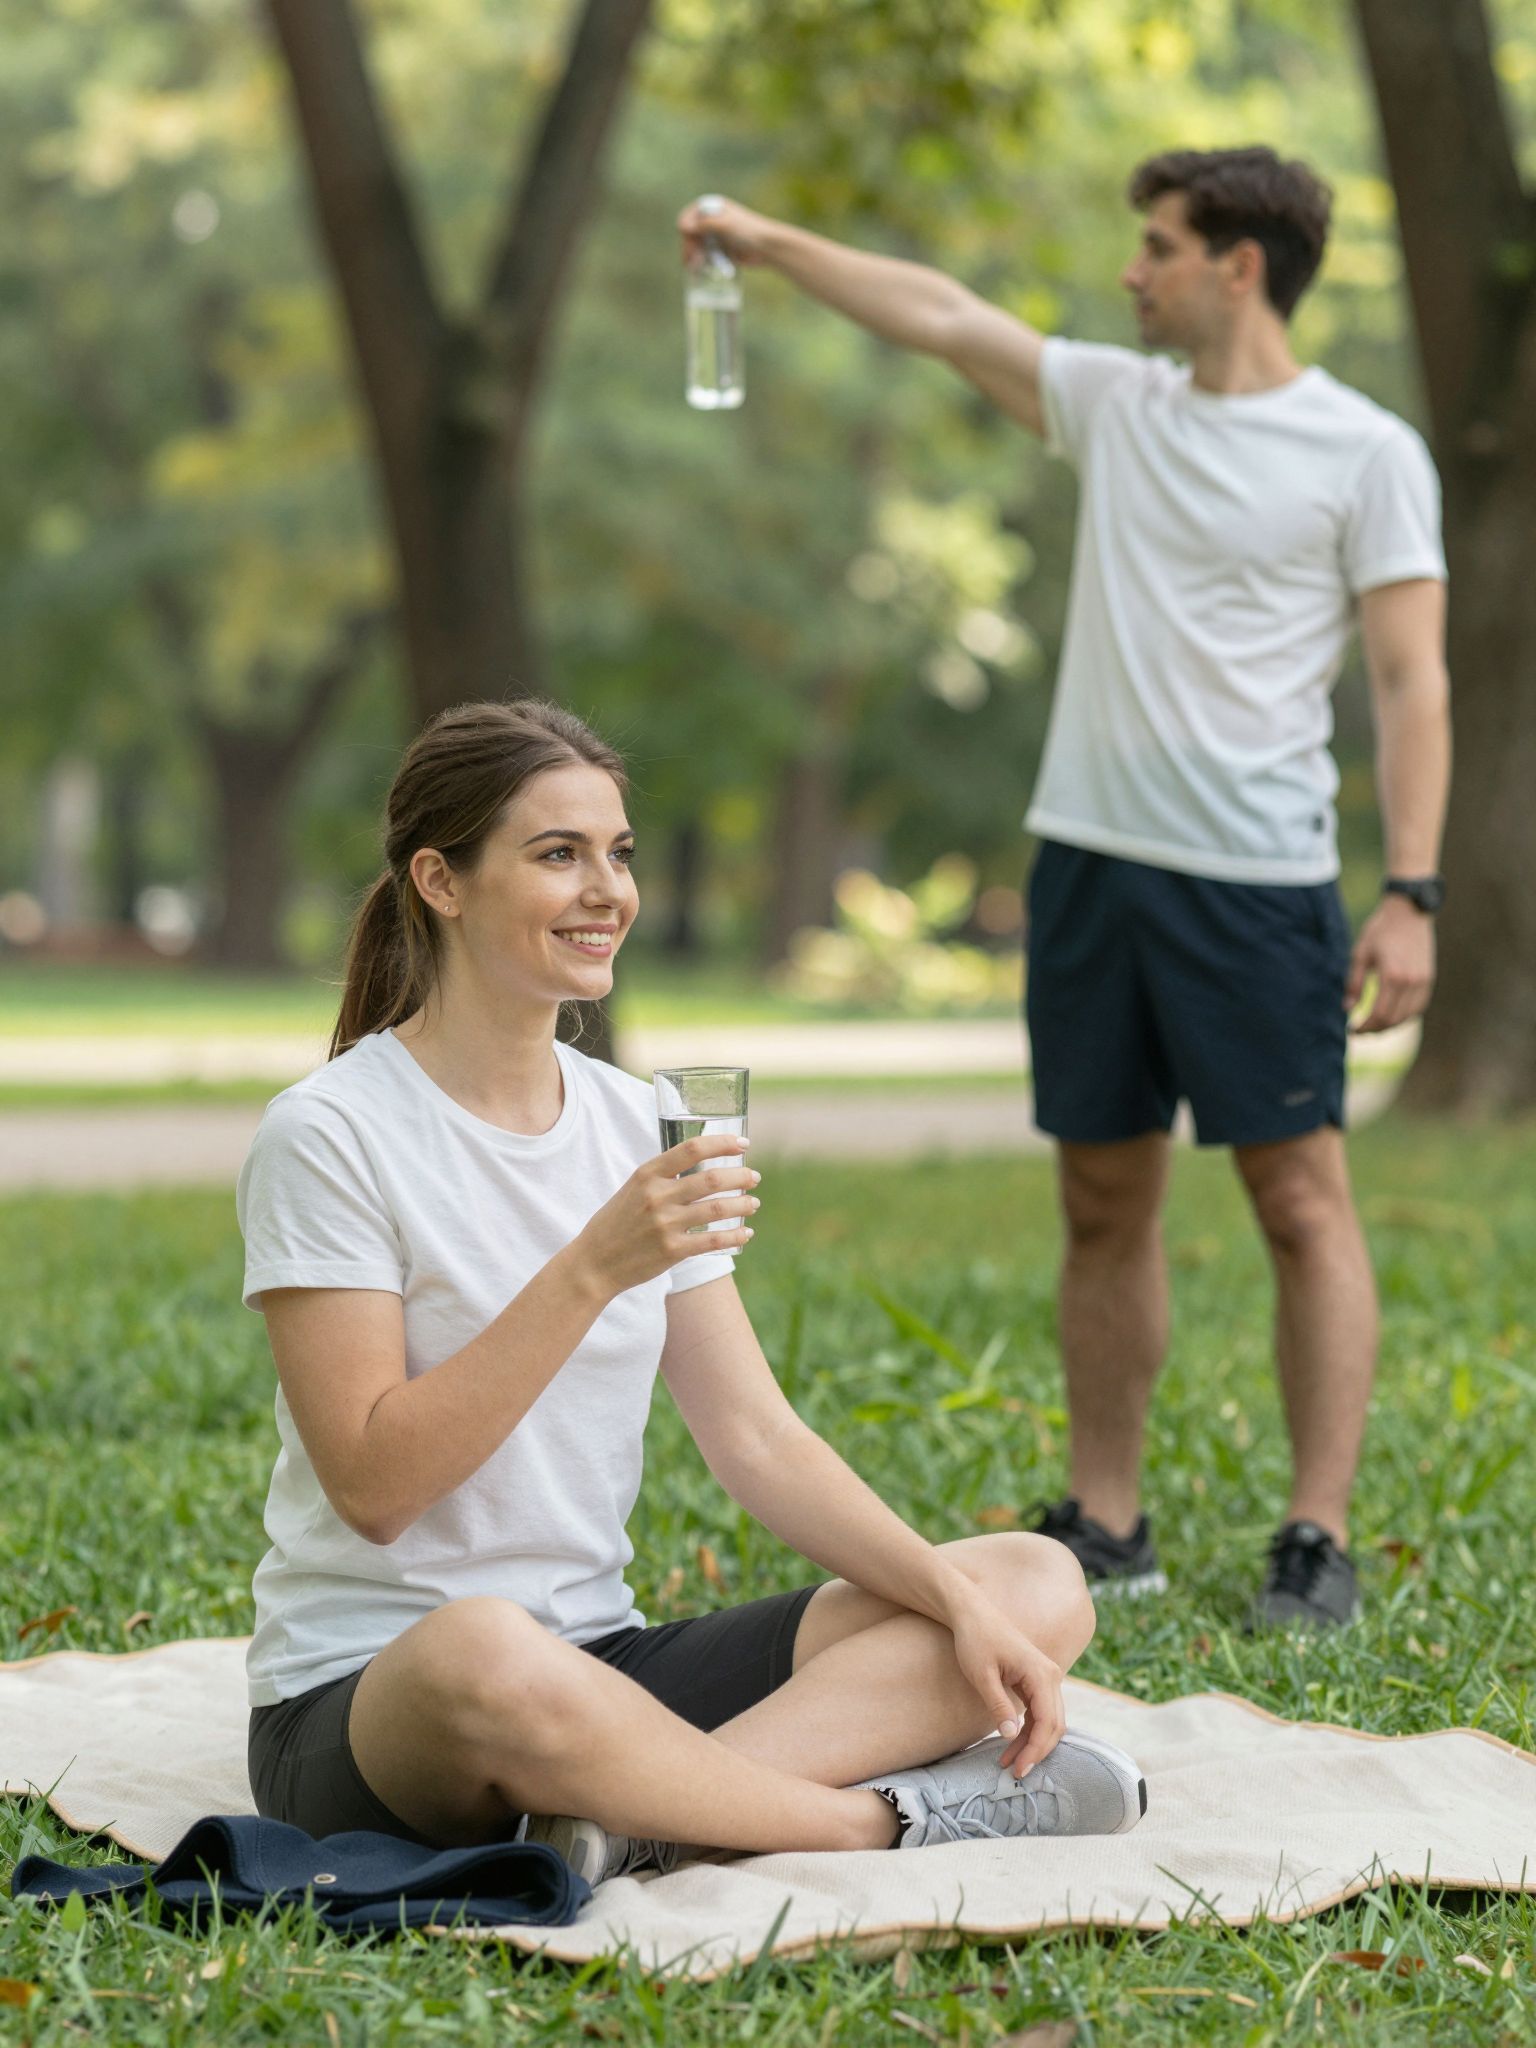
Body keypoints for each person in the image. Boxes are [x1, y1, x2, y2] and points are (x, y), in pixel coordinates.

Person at [679, 146, 1450, 1630]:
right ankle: (1108, 1518)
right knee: (1102, 1202)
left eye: (1157, 246)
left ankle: (1317, 1535)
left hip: (1259, 881)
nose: (1130, 271)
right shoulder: (1117, 404)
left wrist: (1411, 888)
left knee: (1300, 1200)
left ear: (1239, 265)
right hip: (1092, 867)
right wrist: (771, 243)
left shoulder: (1366, 452)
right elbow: (944, 317)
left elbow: (1416, 682)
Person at [239, 699, 1145, 1877]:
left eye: (616, 851)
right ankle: (871, 1819)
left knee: (1035, 1581)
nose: (606, 888)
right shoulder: (330, 1132)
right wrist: (594, 1266)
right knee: (486, 1652)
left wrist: (952, 1600)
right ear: (441, 881)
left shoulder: (631, 1118)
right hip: (379, 1698)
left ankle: (623, 1819)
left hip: (600, 1658)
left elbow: (757, 1438)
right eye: (557, 853)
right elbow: (374, 1486)